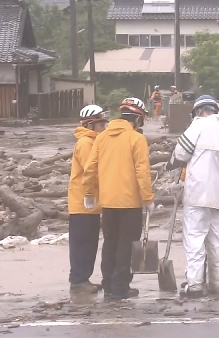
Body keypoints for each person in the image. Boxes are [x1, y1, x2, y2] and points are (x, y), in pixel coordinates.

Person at [82, 97, 155, 300]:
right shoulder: (136, 139)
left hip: (107, 202)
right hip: (130, 202)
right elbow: (142, 172)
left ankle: (108, 285)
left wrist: (89, 194)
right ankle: (121, 287)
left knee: (109, 243)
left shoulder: (101, 137)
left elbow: (90, 169)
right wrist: (148, 199)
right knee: (126, 245)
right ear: (138, 119)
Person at [166, 95, 219, 298]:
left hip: (197, 194)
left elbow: (180, 155)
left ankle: (195, 284)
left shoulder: (197, 126)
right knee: (217, 240)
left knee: (195, 238)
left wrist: (168, 165)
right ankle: (217, 285)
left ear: (199, 111)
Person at [180, 147, 219, 287]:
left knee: (198, 239)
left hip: (198, 196)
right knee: (218, 237)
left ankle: (198, 279)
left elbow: (187, 165)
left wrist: (183, 181)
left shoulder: (196, 138)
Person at [67, 105, 108, 294]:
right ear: (91, 125)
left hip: (90, 204)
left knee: (90, 243)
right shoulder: (85, 144)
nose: (104, 128)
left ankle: (84, 279)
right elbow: (91, 172)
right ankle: (78, 280)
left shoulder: (94, 142)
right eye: (101, 124)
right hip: (82, 203)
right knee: (82, 244)